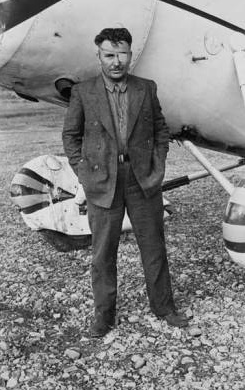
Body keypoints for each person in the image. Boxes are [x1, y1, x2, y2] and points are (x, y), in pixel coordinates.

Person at [62, 27, 188, 337]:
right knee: (103, 252)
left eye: (122, 54)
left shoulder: (146, 88)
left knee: (154, 247)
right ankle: (104, 317)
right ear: (99, 57)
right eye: (109, 55)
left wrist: (157, 166)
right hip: (102, 181)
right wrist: (84, 172)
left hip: (142, 179)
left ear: (131, 54)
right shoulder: (83, 92)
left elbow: (161, 130)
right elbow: (71, 136)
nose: (116, 62)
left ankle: (164, 308)